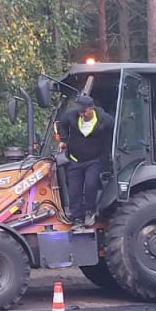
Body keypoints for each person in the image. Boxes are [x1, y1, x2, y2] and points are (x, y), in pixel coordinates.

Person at [57, 93, 114, 231]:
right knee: (74, 190)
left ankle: (90, 211)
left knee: (90, 185)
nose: (81, 114)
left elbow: (114, 131)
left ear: (91, 108)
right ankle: (76, 218)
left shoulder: (104, 120)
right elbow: (62, 123)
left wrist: (108, 153)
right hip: (75, 160)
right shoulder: (71, 116)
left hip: (93, 160)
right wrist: (63, 140)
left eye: (84, 111)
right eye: (79, 111)